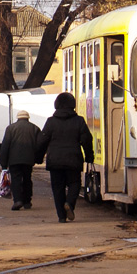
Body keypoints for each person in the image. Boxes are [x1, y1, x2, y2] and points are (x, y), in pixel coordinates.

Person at [37, 92, 93, 223]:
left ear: (56, 105)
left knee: (57, 188)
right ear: (73, 105)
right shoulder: (79, 121)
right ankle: (69, 203)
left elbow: (41, 141)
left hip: (55, 161)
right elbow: (86, 140)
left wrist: (39, 157)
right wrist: (89, 156)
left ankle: (61, 216)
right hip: (73, 159)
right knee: (75, 184)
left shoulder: (51, 122)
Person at [0, 109, 41, 211]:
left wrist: (3, 163)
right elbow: (40, 145)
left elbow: (5, 146)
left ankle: (17, 200)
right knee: (27, 179)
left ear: (18, 118)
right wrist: (38, 159)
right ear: (28, 118)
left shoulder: (10, 128)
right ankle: (27, 201)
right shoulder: (35, 128)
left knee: (16, 179)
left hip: (14, 160)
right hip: (29, 159)